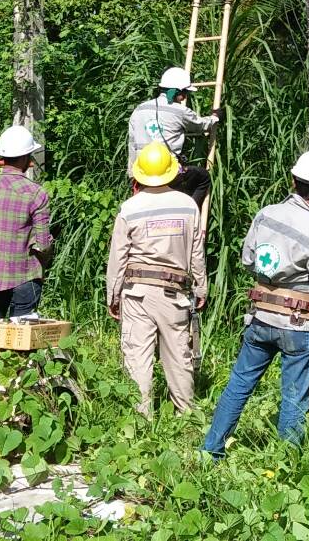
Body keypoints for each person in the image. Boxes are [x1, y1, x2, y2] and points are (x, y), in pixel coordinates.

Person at [201, 149, 309, 458]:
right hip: (299, 324)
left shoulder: (266, 214)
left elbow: (249, 259)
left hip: (261, 316)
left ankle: (210, 450)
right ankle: (286, 467)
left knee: (239, 384)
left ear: (293, 179)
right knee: (293, 396)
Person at [105, 142, 208, 417]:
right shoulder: (188, 206)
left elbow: (118, 258)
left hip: (137, 292)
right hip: (175, 293)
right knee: (178, 355)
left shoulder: (130, 208)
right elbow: (197, 252)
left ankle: (139, 419)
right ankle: (186, 415)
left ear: (139, 175)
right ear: (171, 172)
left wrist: (112, 296)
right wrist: (201, 287)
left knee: (138, 356)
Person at [0, 124, 53, 322]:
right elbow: (43, 244)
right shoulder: (36, 193)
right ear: (27, 157)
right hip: (24, 276)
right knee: (21, 340)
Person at [127, 66, 218, 205]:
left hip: (143, 173)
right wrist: (215, 117)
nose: (185, 97)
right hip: (167, 173)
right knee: (202, 177)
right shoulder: (179, 111)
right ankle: (190, 211)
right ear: (176, 92)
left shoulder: (139, 109)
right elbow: (201, 125)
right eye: (184, 92)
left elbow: (132, 145)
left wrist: (132, 175)